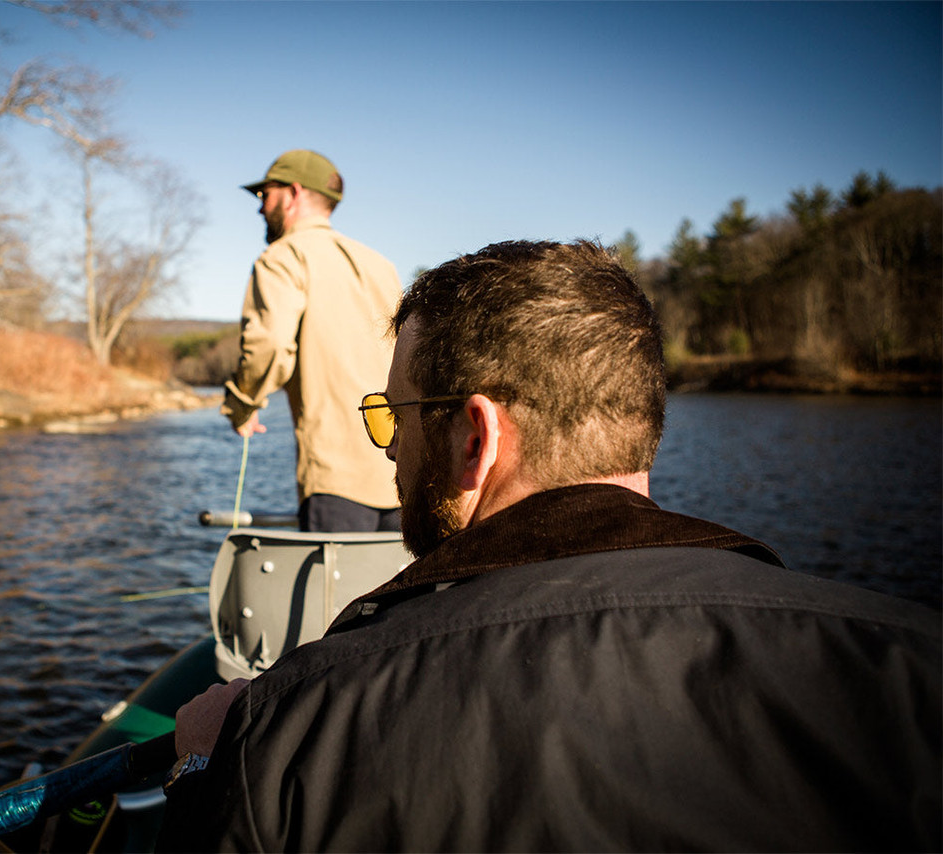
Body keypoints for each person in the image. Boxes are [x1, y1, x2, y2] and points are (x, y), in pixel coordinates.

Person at [158, 240, 941, 852]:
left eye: (396, 418)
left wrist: (204, 769)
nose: (389, 453)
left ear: (475, 437)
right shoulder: (910, 667)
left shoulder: (298, 727)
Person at [222, 149, 402, 532]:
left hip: (336, 478)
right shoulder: (381, 265)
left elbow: (269, 345)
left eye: (264, 195)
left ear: (294, 192)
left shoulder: (281, 257)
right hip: (403, 474)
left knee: (340, 595)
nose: (260, 207)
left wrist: (242, 405)